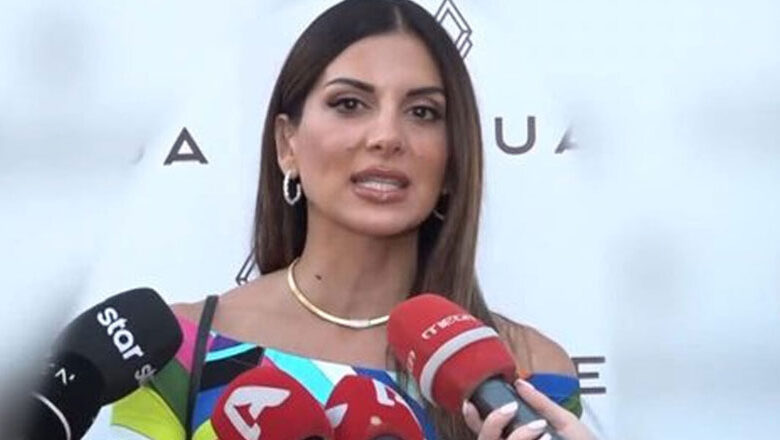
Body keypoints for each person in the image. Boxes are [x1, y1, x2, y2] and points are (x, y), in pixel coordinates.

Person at [111, 0, 596, 439]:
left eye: (422, 112)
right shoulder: (175, 350)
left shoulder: (527, 373)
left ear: (453, 161)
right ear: (286, 144)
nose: (387, 136)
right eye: (349, 104)